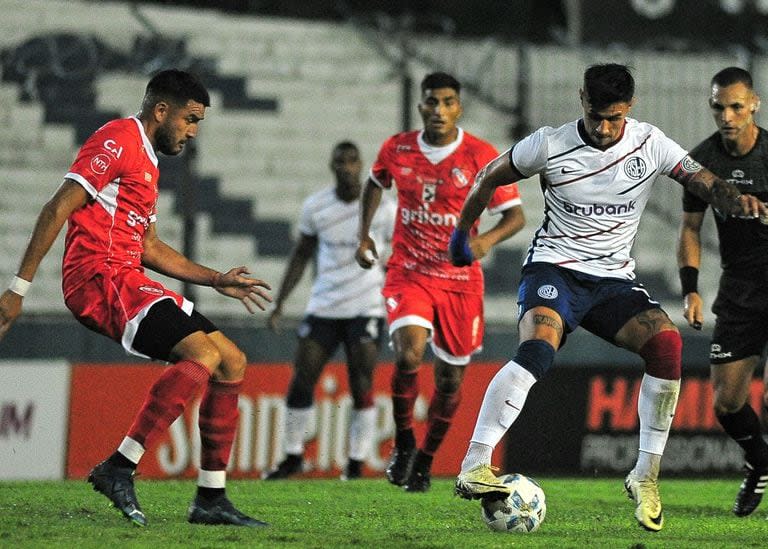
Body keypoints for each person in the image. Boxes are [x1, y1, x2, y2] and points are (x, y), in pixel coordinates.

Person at [448, 63, 766, 532]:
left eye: (613, 118)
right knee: (538, 349)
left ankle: (645, 475)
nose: (603, 127)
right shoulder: (550, 143)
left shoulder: (649, 142)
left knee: (667, 345)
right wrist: (462, 231)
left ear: (629, 108)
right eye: (596, 115)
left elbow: (702, 181)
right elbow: (489, 176)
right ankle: (475, 463)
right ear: (582, 100)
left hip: (613, 282)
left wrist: (734, 199)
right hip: (554, 269)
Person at [0, 69, 273, 528]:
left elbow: (148, 246)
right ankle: (120, 466)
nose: (192, 131)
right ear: (161, 111)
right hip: (98, 277)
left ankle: (210, 498)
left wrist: (213, 279)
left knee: (232, 361)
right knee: (201, 353)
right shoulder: (118, 139)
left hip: (127, 274)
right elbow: (58, 206)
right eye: (189, 119)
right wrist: (17, 289)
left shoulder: (147, 159)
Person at [356, 72, 525, 493]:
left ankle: (426, 461)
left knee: (450, 381)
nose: (438, 110)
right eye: (431, 102)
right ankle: (404, 442)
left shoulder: (480, 155)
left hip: (460, 283)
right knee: (409, 353)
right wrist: (363, 236)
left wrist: (485, 239)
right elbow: (374, 184)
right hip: (408, 271)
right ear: (421, 107)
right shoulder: (397, 148)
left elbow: (515, 215)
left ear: (458, 108)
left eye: (448, 102)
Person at [262, 141, 396, 481]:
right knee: (302, 377)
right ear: (332, 166)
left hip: (366, 305)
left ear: (361, 165)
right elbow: (302, 254)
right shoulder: (316, 206)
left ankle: (355, 462)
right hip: (324, 304)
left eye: (353, 162)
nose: (347, 168)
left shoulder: (384, 208)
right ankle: (292, 455)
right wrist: (280, 302)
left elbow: (401, 255)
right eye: (341, 162)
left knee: (361, 381)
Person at [677, 66, 768, 517]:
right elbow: (690, 229)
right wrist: (690, 289)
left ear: (754, 104)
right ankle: (759, 462)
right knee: (728, 403)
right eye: (719, 107)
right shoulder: (702, 162)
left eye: (736, 106)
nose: (728, 115)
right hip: (740, 291)